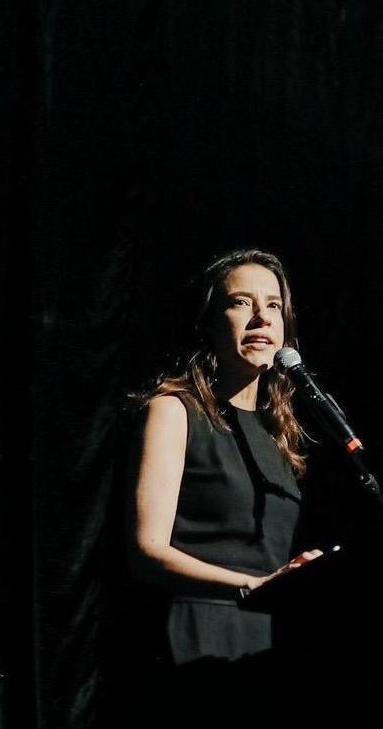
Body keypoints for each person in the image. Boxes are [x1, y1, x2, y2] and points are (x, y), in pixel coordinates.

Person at [124, 249, 322, 696]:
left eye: (273, 305)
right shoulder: (174, 411)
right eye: (240, 302)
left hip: (268, 642)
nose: (261, 319)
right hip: (197, 631)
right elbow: (146, 550)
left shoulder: (278, 434)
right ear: (208, 323)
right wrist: (253, 585)